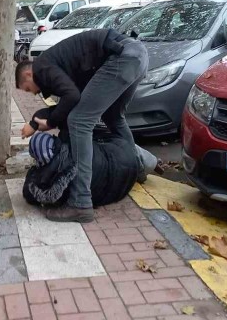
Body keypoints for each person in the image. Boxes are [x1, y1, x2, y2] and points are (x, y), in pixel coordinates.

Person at [15, 29, 148, 223]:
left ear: (29, 73)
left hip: (122, 57)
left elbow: (71, 97)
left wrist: (50, 123)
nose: (33, 93)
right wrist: (39, 121)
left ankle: (80, 203)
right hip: (136, 55)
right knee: (113, 117)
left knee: (79, 122)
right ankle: (137, 168)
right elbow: (71, 102)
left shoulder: (42, 67)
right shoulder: (57, 64)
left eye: (28, 88)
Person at [23, 130, 164, 207]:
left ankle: (144, 167)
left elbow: (29, 193)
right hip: (125, 158)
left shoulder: (47, 180)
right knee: (120, 149)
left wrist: (34, 171)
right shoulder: (71, 142)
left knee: (116, 159)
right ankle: (152, 163)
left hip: (120, 190)